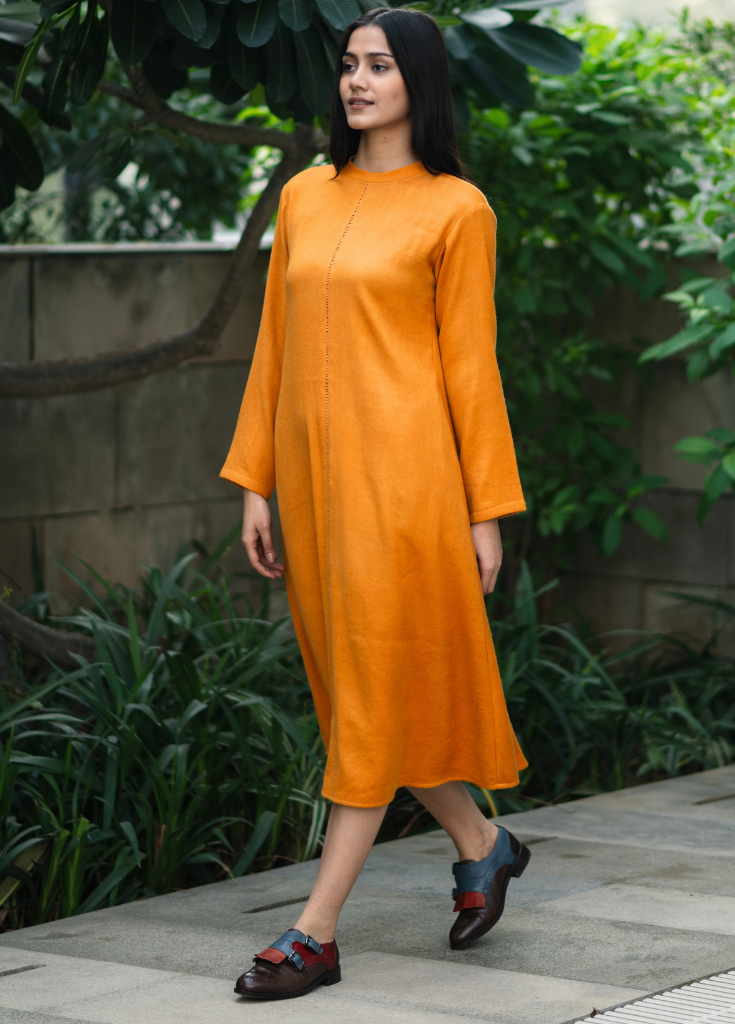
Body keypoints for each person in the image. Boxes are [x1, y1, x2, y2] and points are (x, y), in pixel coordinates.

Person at [220, 6, 530, 1000]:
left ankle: (314, 933)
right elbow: (273, 347)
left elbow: (471, 369)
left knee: (367, 701)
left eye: (380, 65)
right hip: (314, 495)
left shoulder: (458, 209)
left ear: (417, 83)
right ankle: (481, 843)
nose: (357, 80)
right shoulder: (305, 196)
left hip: (406, 492)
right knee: (365, 696)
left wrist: (485, 510)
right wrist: (255, 479)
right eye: (350, 64)